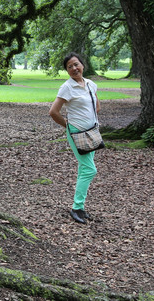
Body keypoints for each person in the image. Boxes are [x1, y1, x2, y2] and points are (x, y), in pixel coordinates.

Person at [48, 52, 99, 224]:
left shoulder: (91, 84)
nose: (74, 68)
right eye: (70, 67)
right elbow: (53, 112)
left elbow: (96, 106)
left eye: (76, 64)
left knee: (85, 169)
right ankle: (76, 208)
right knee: (90, 169)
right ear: (67, 71)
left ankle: (80, 207)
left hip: (91, 131)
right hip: (77, 132)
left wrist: (90, 120)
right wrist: (69, 126)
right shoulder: (67, 87)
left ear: (82, 65)